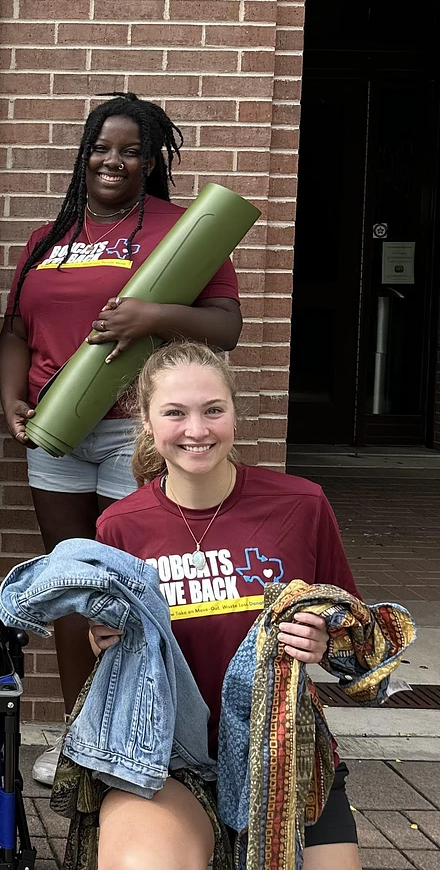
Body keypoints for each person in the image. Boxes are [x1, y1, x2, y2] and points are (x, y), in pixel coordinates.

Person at [0, 93, 242, 781]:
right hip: (55, 435)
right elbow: (16, 331)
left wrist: (152, 314)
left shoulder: (182, 228)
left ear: (152, 158)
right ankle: (80, 740)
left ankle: (148, 735)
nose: (115, 160)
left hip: (136, 432)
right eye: (103, 147)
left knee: (139, 588)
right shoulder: (50, 236)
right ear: (84, 153)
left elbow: (226, 326)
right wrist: (13, 396)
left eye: (132, 149)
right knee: (71, 584)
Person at [90, 341, 360, 870]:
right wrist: (100, 638)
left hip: (283, 750)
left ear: (235, 414)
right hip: (167, 754)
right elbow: (111, 641)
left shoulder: (301, 504)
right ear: (146, 420)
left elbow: (354, 631)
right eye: (175, 412)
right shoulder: (119, 525)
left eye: (213, 410)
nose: (197, 429)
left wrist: (328, 641)